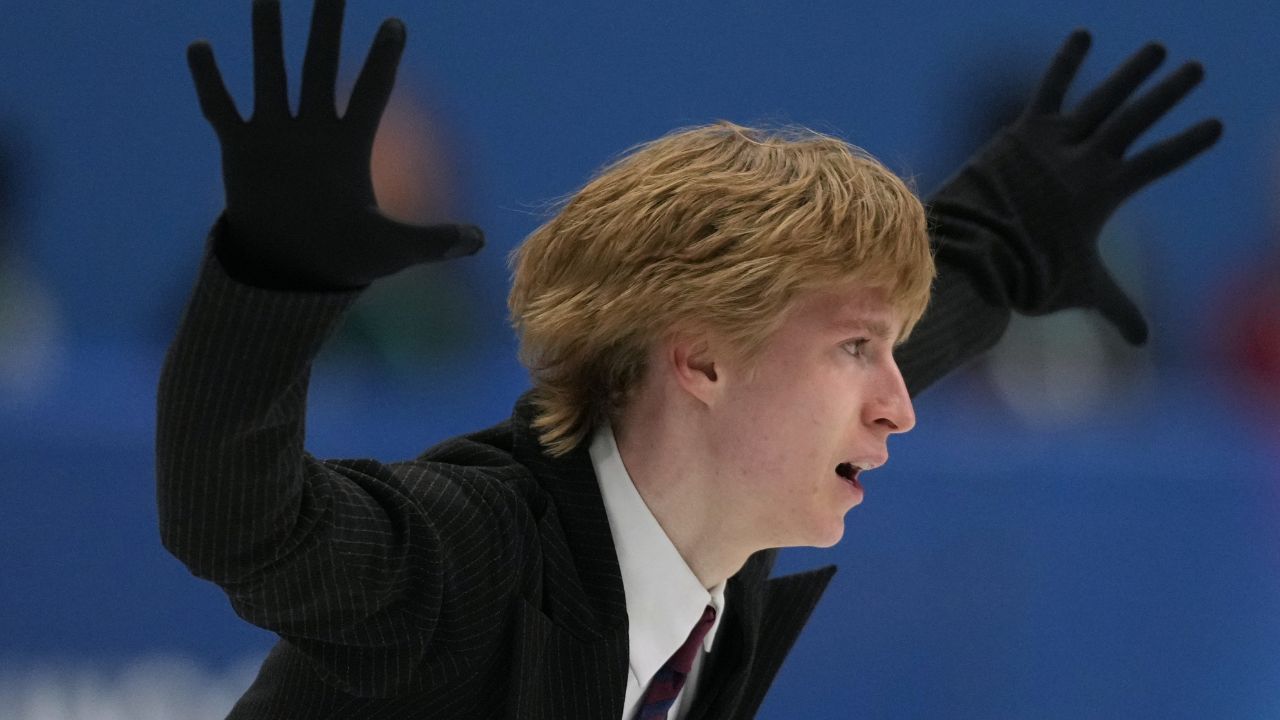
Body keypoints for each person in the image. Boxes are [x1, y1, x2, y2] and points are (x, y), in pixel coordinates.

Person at [157, 1, 1222, 717]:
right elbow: (242, 524)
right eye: (857, 348)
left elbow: (937, 310)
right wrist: (271, 276)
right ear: (701, 362)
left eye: (885, 350)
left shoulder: (711, 550)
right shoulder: (471, 553)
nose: (898, 404)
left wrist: (1011, 230)